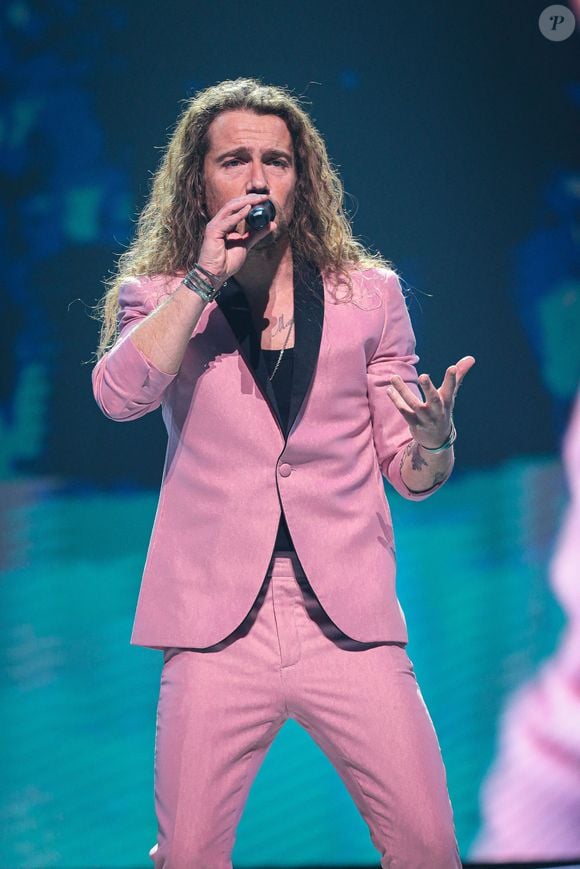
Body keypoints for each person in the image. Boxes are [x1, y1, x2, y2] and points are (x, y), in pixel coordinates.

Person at [92, 77, 475, 869]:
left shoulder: (369, 295)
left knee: (430, 845)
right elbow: (119, 397)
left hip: (346, 618)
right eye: (236, 160)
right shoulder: (159, 295)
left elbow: (406, 473)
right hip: (213, 626)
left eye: (277, 160)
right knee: (190, 853)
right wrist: (202, 280)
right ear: (199, 179)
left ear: (304, 179)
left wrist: (434, 442)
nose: (259, 178)